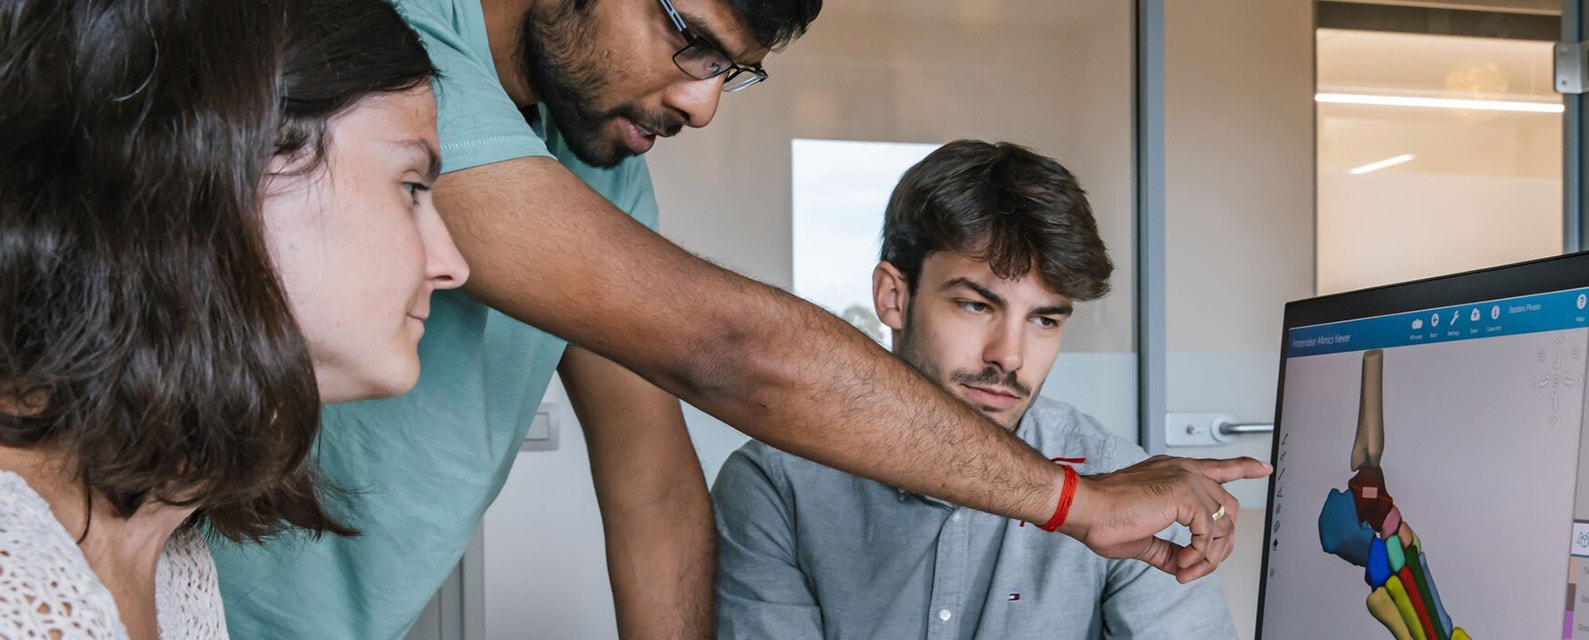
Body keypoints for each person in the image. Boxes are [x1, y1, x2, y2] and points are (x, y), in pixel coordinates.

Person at [213, 0, 1269, 637]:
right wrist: (1071, 502)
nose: (702, 103)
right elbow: (726, 350)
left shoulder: (600, 169)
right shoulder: (387, 49)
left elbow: (655, 484)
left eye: (732, 70)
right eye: (687, 37)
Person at [0, 0, 466, 637]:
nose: (452, 265)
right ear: (229, 165)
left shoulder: (173, 560)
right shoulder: (16, 581)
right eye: (411, 186)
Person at [713, 140, 1237, 639]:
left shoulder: (1119, 479)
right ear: (893, 297)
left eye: (1045, 320)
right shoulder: (776, 485)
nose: (1009, 356)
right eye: (976, 305)